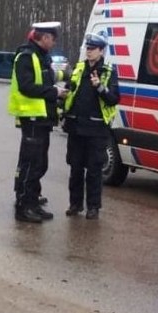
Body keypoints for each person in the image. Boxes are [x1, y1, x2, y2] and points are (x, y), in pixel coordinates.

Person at [8, 21, 68, 223]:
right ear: (43, 38)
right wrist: (54, 92)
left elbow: (46, 79)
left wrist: (62, 83)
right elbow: (27, 86)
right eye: (52, 38)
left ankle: (33, 202)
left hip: (43, 119)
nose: (54, 42)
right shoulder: (26, 56)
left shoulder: (42, 57)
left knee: (40, 163)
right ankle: (23, 205)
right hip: (32, 118)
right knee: (29, 163)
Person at [61, 31, 120, 219]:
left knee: (94, 171)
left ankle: (93, 207)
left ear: (101, 51)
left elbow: (113, 99)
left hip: (96, 130)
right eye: (87, 48)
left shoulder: (108, 71)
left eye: (93, 49)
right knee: (75, 169)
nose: (89, 52)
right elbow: (71, 91)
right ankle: (75, 204)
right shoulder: (79, 68)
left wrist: (99, 87)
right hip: (76, 127)